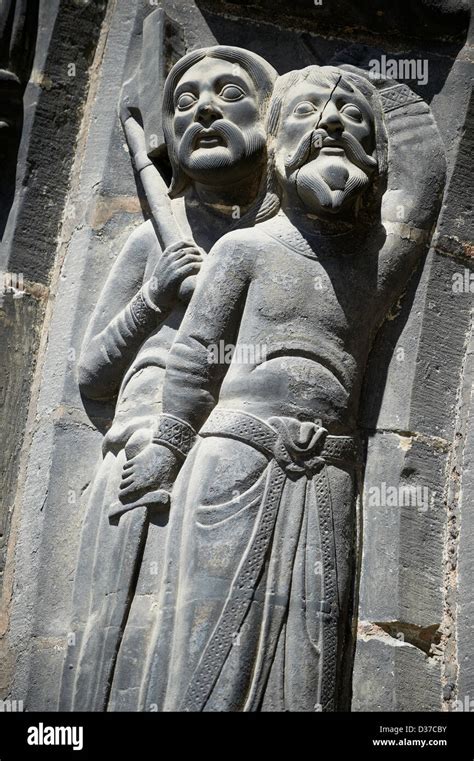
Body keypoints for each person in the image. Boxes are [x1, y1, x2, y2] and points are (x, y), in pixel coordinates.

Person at [132, 65, 445, 711]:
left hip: (328, 472)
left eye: (351, 121)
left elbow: (422, 188)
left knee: (315, 657)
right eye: (307, 114)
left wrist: (388, 91)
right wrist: (166, 446)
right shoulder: (244, 249)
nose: (331, 124)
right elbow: (195, 359)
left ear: (377, 155)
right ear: (275, 148)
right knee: (211, 653)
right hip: (235, 461)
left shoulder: (374, 263)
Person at [60, 45, 277, 711]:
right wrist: (154, 295)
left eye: (229, 94)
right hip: (138, 465)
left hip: (235, 478)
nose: (204, 109)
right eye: (183, 103)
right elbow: (91, 377)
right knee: (117, 648)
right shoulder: (150, 243)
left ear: (274, 122)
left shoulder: (281, 246)